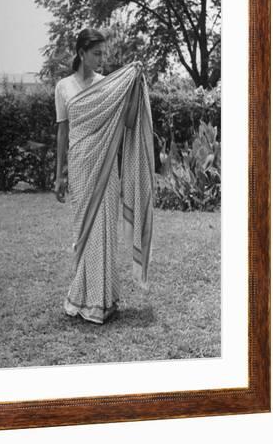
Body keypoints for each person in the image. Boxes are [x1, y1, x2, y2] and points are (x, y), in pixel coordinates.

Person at [54, 28, 154, 324]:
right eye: (96, 53)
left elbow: (129, 118)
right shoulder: (64, 87)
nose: (101, 59)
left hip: (106, 165)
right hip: (81, 163)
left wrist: (135, 81)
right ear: (81, 52)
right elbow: (63, 130)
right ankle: (83, 297)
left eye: (103, 54)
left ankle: (104, 299)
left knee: (105, 228)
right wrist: (59, 173)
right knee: (84, 229)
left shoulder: (108, 85)